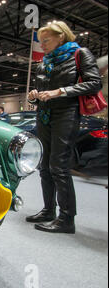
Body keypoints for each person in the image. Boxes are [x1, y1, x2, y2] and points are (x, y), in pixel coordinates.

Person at [25, 21, 102, 233]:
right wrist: (34, 95)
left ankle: (67, 219)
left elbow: (94, 83)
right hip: (45, 114)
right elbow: (42, 91)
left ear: (61, 37)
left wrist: (60, 91)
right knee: (44, 166)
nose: (43, 45)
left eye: (46, 40)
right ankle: (48, 210)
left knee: (58, 166)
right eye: (40, 42)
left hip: (66, 114)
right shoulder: (45, 62)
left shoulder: (80, 54)